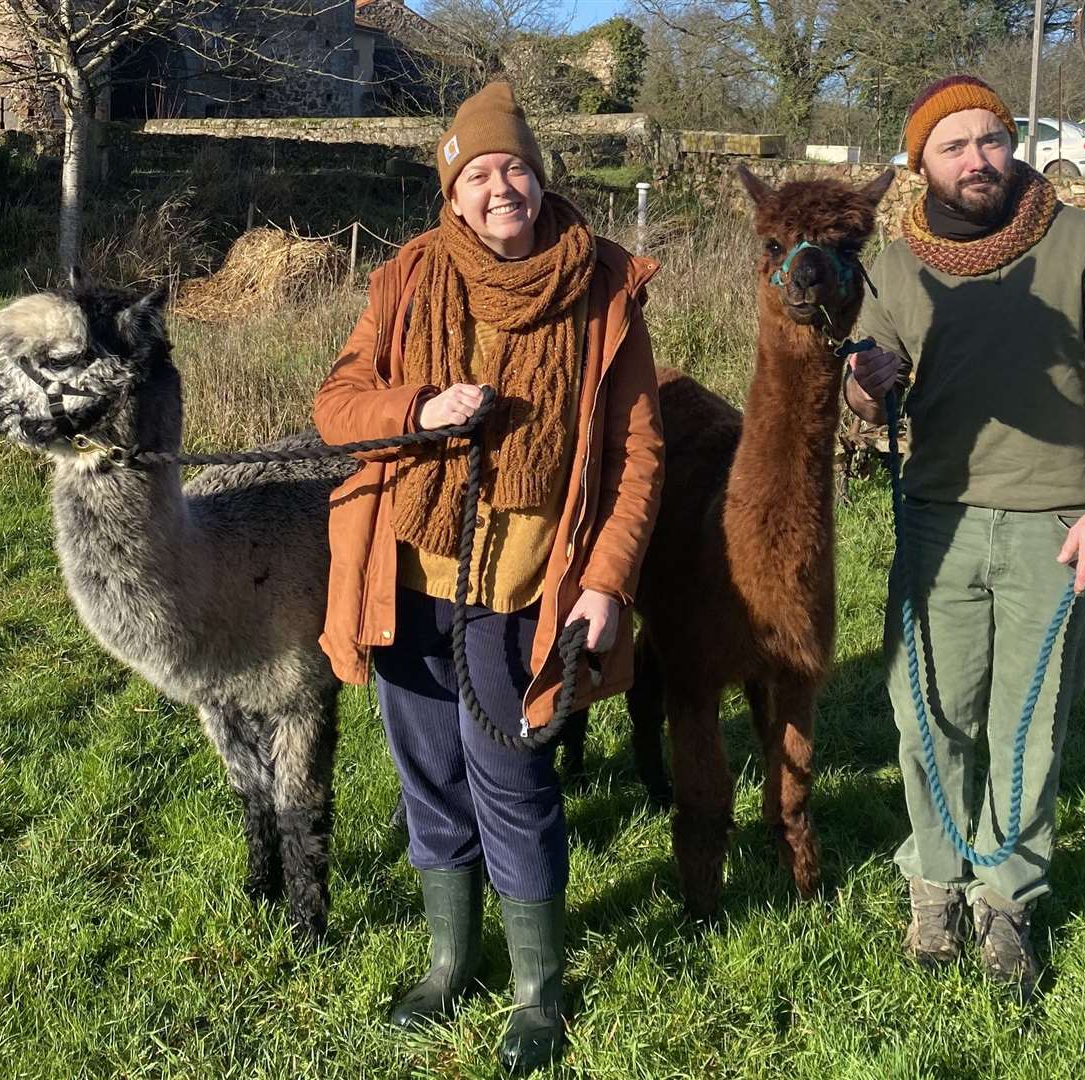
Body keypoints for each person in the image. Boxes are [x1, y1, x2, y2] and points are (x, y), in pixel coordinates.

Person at [313, 82, 663, 1072]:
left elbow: (639, 453)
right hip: (407, 571)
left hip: (529, 579)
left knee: (510, 778)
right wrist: (419, 409)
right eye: (477, 173)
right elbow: (336, 405)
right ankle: (447, 960)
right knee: (429, 776)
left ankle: (537, 993)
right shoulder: (409, 278)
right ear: (454, 195)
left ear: (540, 176)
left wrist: (608, 579)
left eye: (512, 166)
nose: (499, 185)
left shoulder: (602, 287)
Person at [847, 75, 1085, 999]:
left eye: (991, 139)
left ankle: (1007, 899)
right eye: (953, 146)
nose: (977, 158)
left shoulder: (1082, 243)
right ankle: (934, 885)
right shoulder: (896, 265)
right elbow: (865, 392)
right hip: (937, 519)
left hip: (1057, 523)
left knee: (1029, 732)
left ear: (1012, 143)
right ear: (922, 166)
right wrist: (864, 379)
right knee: (927, 716)